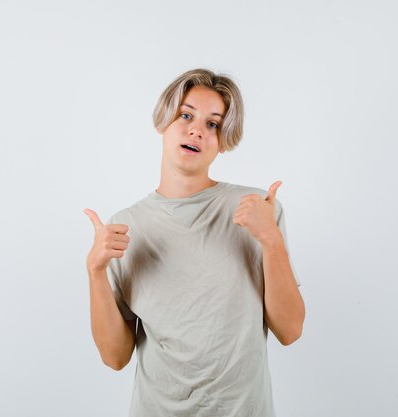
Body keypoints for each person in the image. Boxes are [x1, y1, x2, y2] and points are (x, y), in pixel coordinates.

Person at [84, 68, 306, 417]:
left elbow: (290, 330)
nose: (196, 130)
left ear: (223, 139)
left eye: (213, 124)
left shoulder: (257, 210)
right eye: (186, 115)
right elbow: (115, 357)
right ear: (163, 122)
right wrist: (95, 272)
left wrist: (270, 240)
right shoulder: (125, 227)